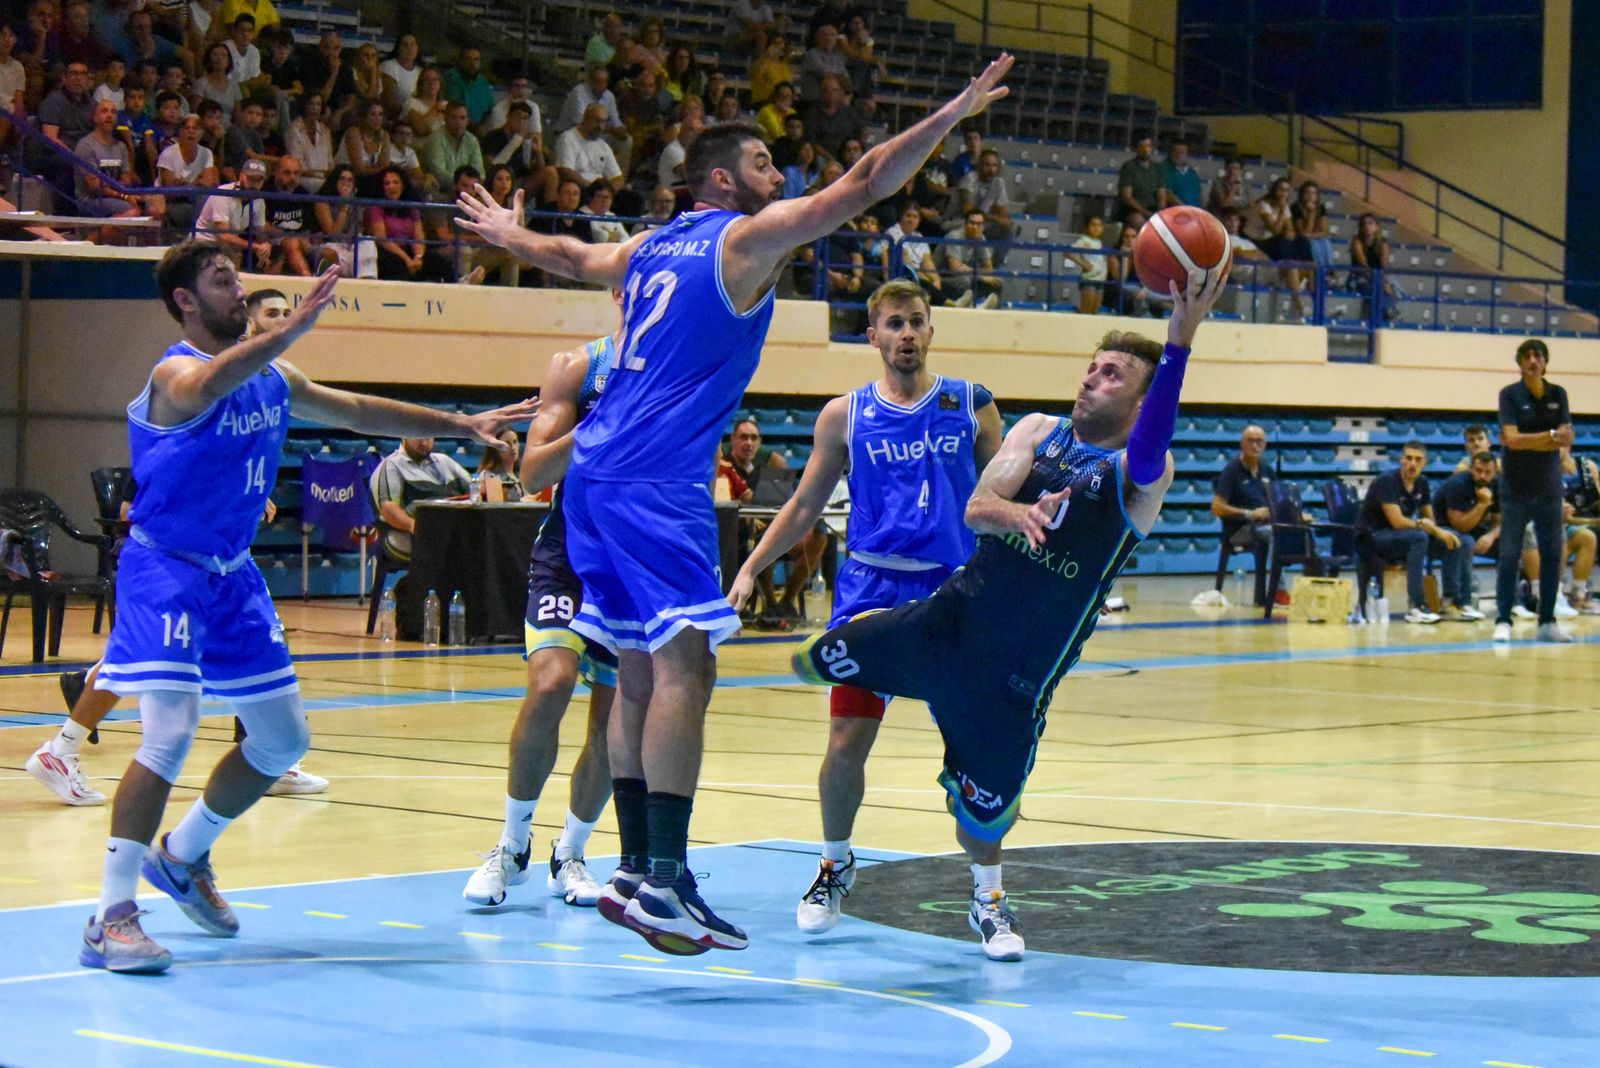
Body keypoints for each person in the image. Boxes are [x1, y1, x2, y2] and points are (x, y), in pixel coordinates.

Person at [456, 53, 1016, 955]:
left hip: (591, 483)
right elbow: (866, 181)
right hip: (652, 481)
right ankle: (668, 879)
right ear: (722, 178)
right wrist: (950, 112)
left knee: (638, 672)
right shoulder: (738, 241)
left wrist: (506, 236)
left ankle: (639, 871)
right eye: (763, 166)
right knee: (687, 671)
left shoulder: (649, 249)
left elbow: (568, 254)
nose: (779, 179)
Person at [77, 244, 536, 974]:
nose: (238, 290)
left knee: (283, 742)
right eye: (221, 280)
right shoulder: (174, 373)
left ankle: (183, 854)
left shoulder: (274, 378)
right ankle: (110, 916)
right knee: (170, 733)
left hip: (232, 576)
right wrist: (285, 334)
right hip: (166, 569)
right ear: (187, 302)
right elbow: (208, 381)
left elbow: (355, 410)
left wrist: (461, 425)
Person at [792, 270, 1227, 960]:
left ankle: (987, 897)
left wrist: (1179, 343)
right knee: (830, 667)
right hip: (949, 623)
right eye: (1091, 368)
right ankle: (833, 862)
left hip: (1017, 671)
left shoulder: (1143, 475)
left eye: (1112, 375)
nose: (1091, 379)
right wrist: (1016, 511)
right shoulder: (1036, 430)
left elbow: (1147, 450)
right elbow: (975, 508)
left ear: (1144, 403)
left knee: (986, 813)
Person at [731, 279, 1001, 933]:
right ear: (872, 335)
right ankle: (833, 866)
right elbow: (802, 507)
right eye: (893, 324)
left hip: (953, 590)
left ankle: (989, 896)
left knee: (982, 750)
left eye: (916, 322)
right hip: (871, 592)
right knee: (847, 738)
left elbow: (1003, 501)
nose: (906, 333)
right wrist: (749, 568)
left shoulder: (973, 404)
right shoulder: (843, 416)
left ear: (931, 331)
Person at [462, 299, 624, 909]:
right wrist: (605, 422)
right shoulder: (578, 366)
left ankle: (571, 853)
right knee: (552, 683)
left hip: (631, 560)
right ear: (620, 289)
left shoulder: (676, 370)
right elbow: (530, 474)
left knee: (614, 721)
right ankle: (512, 845)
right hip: (567, 551)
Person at [1493, 339, 1574, 644]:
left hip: (1549, 488)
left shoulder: (1558, 394)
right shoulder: (1509, 395)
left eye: (1537, 356)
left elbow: (1566, 437)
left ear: (1544, 362)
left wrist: (1544, 440)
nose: (1532, 361)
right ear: (1519, 363)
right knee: (1510, 554)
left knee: (1552, 554)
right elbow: (1511, 439)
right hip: (1515, 487)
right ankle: (1503, 619)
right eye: (1526, 356)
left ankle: (1548, 621)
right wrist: (1550, 437)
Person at [1356, 440, 1456, 624]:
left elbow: (1429, 517)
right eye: (1409, 458)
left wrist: (1440, 532)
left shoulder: (1423, 483)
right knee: (1419, 537)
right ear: (1401, 460)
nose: (1413, 464)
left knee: (1457, 540)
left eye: (1418, 460)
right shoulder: (1386, 481)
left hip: (1399, 538)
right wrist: (1431, 528)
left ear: (1425, 463)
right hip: (1371, 538)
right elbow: (1397, 521)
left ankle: (1453, 601)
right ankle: (1416, 606)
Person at [372, 435, 474, 561]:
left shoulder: (444, 461)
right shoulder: (391, 465)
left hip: (451, 529)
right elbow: (389, 510)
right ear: (404, 435)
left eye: (429, 438)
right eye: (419, 437)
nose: (424, 443)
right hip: (413, 532)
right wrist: (417, 528)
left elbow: (475, 491)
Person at [1210, 424, 1272, 606]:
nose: (1255, 445)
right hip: (1239, 530)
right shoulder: (1232, 470)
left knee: (1303, 533)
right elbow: (1217, 507)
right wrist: (1250, 513)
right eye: (1250, 441)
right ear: (1242, 444)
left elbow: (1277, 499)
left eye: (1259, 441)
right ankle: (1279, 591)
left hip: (1266, 525)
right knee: (1275, 535)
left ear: (1265, 445)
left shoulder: (1267, 469)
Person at [1433, 450, 1498, 620]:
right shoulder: (1458, 484)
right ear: (1470, 469)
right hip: (1442, 530)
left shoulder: (1497, 485)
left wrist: (1490, 536)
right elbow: (1460, 525)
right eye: (1478, 471)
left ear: (1495, 472)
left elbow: (1500, 521)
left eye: (1488, 472)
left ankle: (1513, 601)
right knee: (1464, 541)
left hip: (1474, 528)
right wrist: (1483, 504)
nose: (1482, 476)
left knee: (1510, 543)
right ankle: (1456, 600)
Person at [1116, 134, 1163, 224]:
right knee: (1138, 220)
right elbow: (1127, 197)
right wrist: (1146, 213)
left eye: (1148, 146)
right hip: (1133, 210)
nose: (1145, 150)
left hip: (1153, 209)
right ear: (1136, 148)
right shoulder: (1129, 167)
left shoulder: (1158, 168)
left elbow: (1161, 193)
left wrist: (1160, 212)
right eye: (1141, 147)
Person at [1069, 215, 1106, 315]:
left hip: (1100, 279)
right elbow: (1068, 252)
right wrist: (1083, 263)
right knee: (1086, 312)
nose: (1096, 228)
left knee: (1096, 311)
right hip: (1089, 279)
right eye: (1093, 225)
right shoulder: (1084, 240)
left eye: (1099, 225)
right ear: (1087, 227)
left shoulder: (1100, 242)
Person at [1160, 140, 1202, 208]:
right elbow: (1167, 193)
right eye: (1175, 152)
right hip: (1176, 211)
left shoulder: (1192, 172)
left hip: (1195, 212)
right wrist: (1184, 208)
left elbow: (1198, 194)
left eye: (1182, 152)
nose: (1179, 155)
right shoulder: (1162, 169)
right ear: (1170, 153)